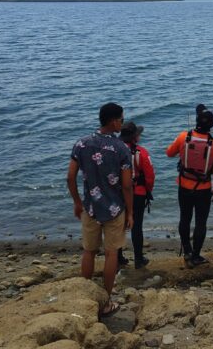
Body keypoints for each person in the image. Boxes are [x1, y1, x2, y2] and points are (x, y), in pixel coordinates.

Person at [67, 102, 133, 317]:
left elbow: (70, 177)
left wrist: (77, 202)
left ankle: (85, 297)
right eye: (121, 119)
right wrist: (130, 213)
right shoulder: (122, 148)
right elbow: (126, 185)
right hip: (114, 209)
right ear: (114, 121)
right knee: (111, 253)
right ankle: (105, 301)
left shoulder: (82, 144)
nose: (122, 123)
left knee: (89, 250)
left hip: (90, 208)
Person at [166, 104, 213, 267]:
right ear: (212, 125)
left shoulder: (183, 136)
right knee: (200, 222)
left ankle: (187, 251)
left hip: (184, 185)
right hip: (203, 189)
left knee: (185, 218)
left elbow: (169, 153)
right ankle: (196, 255)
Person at [119, 121, 155, 269]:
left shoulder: (114, 150)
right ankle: (139, 259)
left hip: (118, 194)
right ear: (134, 137)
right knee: (136, 226)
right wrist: (148, 191)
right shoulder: (141, 153)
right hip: (137, 194)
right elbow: (150, 176)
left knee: (118, 226)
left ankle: (118, 257)